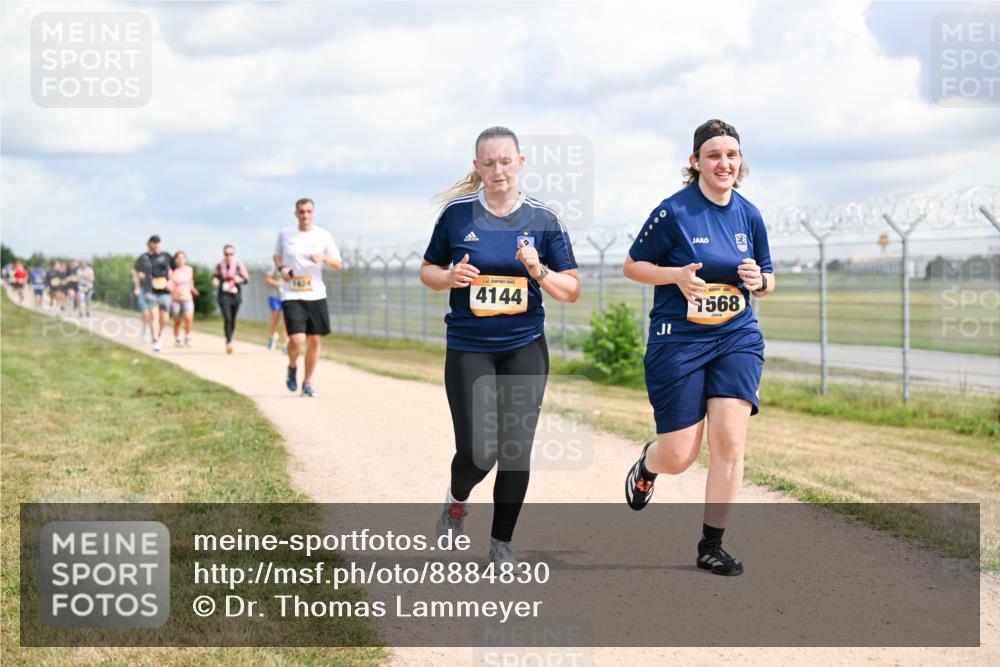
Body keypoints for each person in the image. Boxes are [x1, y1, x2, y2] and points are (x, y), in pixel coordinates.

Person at [420, 126, 581, 567]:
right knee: (479, 452)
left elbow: (571, 290)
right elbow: (428, 270)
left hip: (524, 346)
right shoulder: (458, 215)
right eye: (488, 163)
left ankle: (501, 543)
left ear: (520, 162)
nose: (498, 170)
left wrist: (539, 271)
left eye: (506, 161)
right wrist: (449, 277)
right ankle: (456, 500)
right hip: (469, 347)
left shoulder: (543, 219)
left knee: (515, 449)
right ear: (477, 166)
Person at [623, 119, 775, 577]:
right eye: (713, 155)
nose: (723, 163)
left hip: (736, 336)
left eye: (731, 155)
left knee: (729, 442)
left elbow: (768, 279)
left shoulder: (749, 214)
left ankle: (712, 546)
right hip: (679, 341)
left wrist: (760, 281)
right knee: (679, 455)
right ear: (696, 162)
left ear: (741, 160)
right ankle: (649, 464)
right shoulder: (674, 212)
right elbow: (633, 266)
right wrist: (675, 276)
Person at [274, 199, 342, 396]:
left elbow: (338, 264)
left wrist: (323, 258)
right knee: (296, 339)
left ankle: (307, 382)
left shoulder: (323, 235)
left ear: (314, 213)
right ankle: (292, 366)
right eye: (302, 211)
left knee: (315, 341)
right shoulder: (286, 234)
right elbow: (277, 256)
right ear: (296, 213)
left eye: (309, 211)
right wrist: (282, 269)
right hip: (291, 293)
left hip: (316, 293)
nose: (305, 215)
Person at [133, 235, 173, 352]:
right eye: (153, 243)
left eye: (157, 242)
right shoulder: (144, 257)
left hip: (164, 291)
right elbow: (135, 270)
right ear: (149, 244)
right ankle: (155, 340)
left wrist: (171, 281)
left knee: (164, 318)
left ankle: (158, 335)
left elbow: (175, 270)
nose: (156, 245)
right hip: (149, 290)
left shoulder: (166, 256)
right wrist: (137, 284)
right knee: (154, 316)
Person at [211, 244, 250, 354]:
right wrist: (214, 281)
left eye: (231, 254)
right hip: (224, 295)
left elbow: (247, 279)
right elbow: (214, 276)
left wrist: (239, 280)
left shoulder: (238, 265)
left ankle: (230, 337)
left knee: (232, 319)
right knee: (227, 318)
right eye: (226, 254)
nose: (229, 256)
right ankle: (228, 342)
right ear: (224, 254)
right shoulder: (219, 265)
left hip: (235, 294)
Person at [169, 251, 199, 347]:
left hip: (187, 297)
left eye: (182, 258)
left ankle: (188, 337)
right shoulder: (172, 271)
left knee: (188, 318)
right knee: (177, 321)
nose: (180, 260)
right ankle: (177, 339)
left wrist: (193, 289)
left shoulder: (189, 270)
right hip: (175, 299)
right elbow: (169, 284)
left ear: (185, 259)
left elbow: (191, 282)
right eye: (178, 258)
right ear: (175, 260)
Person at [263, 265, 288, 352]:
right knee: (275, 319)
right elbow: (267, 279)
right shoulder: (273, 265)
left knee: (287, 320)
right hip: (275, 296)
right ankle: (273, 336)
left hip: (288, 296)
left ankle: (286, 342)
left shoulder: (291, 263)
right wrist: (279, 284)